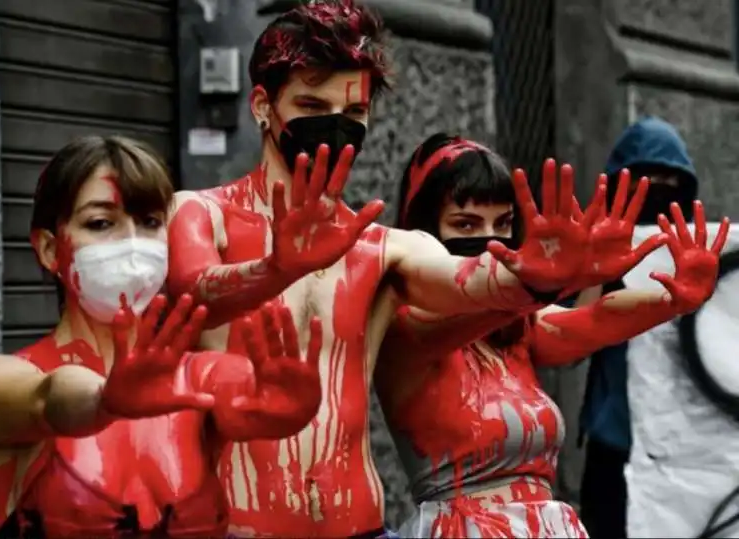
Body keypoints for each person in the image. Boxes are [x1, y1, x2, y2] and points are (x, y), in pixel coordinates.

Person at [165, 2, 615, 536]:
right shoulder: (200, 213)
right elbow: (196, 292)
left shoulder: (382, 247)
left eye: (352, 113)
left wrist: (539, 276)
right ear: (262, 105)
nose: (335, 125)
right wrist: (274, 268)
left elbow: (472, 284)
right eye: (311, 103)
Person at [0, 136, 325, 539]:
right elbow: (51, 398)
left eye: (150, 221)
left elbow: (247, 401)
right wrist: (104, 402)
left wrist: (288, 409)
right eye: (100, 223)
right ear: (48, 249)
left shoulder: (193, 379)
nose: (133, 243)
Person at [373, 133, 727, 538]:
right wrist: (549, 282)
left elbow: (594, 320)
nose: (490, 239)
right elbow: (497, 302)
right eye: (465, 224)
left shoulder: (514, 329)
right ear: (422, 233)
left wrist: (672, 299)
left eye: (503, 223)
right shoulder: (405, 329)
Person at [577, 117, 699, 538]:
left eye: (671, 181)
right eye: (649, 180)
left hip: (682, 445)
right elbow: (568, 343)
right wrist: (595, 265)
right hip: (615, 444)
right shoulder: (599, 254)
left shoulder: (696, 256)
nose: (661, 189)